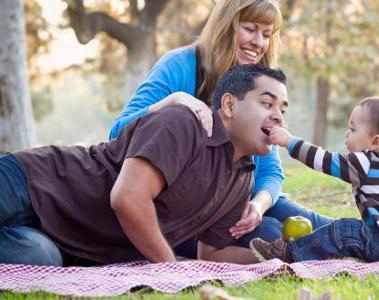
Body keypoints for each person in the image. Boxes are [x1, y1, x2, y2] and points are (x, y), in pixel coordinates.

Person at [0, 64, 288, 266]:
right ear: (229, 105)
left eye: (282, 109)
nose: (278, 117)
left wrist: (278, 255)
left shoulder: (243, 179)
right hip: (31, 182)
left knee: (38, 258)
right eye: (267, 103)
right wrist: (170, 266)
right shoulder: (184, 123)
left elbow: (211, 255)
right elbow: (128, 198)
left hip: (60, 239)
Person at [108, 0, 332, 259]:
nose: (259, 42)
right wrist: (175, 100)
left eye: (267, 34)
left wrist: (258, 205)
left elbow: (270, 171)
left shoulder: (261, 85)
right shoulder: (181, 65)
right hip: (187, 207)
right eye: (250, 29)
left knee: (323, 227)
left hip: (239, 201)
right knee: (271, 234)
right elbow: (118, 134)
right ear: (227, 26)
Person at [250, 97, 379, 262]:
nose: (347, 133)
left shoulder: (366, 161)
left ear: (375, 142)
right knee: (357, 232)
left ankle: (289, 253)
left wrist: (288, 141)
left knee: (345, 229)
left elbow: (323, 160)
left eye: (353, 129)